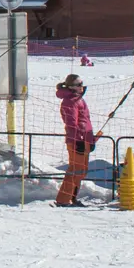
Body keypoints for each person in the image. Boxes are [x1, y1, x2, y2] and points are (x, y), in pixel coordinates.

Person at [54, 74, 95, 207]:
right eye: (78, 84)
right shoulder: (70, 101)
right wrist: (78, 140)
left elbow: (85, 121)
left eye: (81, 83)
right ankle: (63, 199)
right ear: (71, 87)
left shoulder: (78, 99)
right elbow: (71, 123)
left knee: (81, 171)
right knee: (75, 169)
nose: (81, 86)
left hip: (85, 139)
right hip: (77, 140)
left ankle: (72, 198)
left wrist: (91, 139)